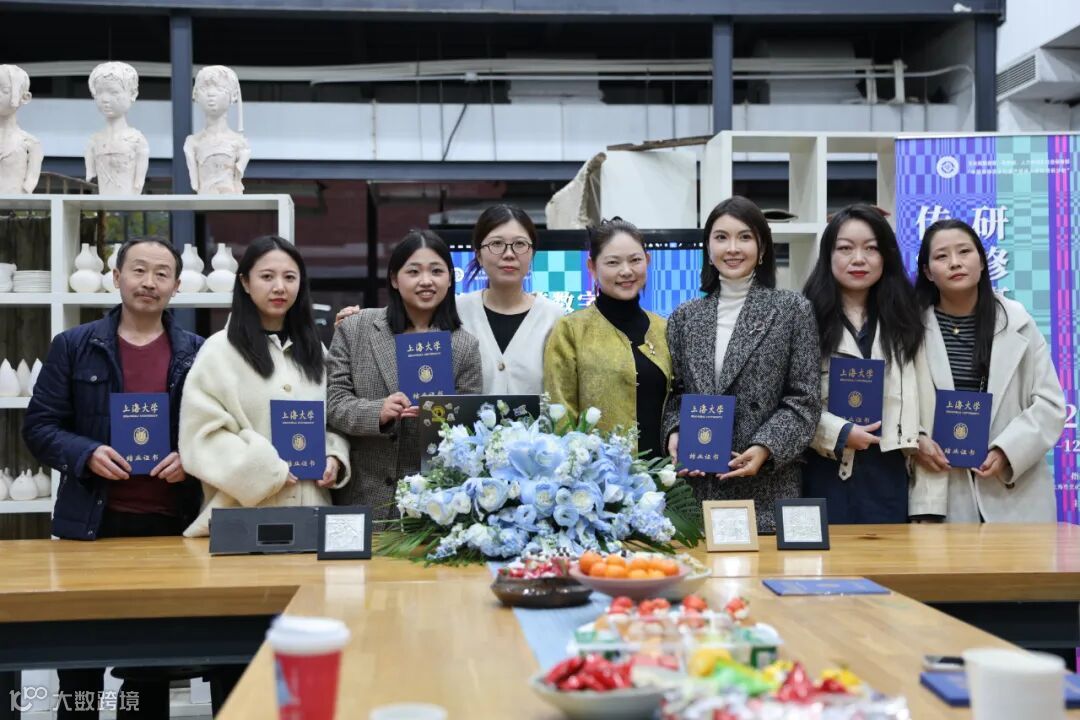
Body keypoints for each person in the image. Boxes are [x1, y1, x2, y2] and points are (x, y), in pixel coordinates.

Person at [22, 237, 203, 719]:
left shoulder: (197, 353)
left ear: (177, 286)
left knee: (148, 673)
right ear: (117, 276)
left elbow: (216, 433)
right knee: (77, 666)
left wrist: (192, 458)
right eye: (138, 270)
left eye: (162, 273)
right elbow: (39, 427)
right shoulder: (74, 346)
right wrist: (86, 453)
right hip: (90, 528)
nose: (149, 282)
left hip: (167, 531)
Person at [662, 196, 820, 532]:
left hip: (766, 486)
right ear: (708, 249)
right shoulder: (684, 317)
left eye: (744, 237)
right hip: (698, 488)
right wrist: (674, 433)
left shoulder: (792, 310)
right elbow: (676, 393)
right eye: (721, 237)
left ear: (762, 249)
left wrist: (765, 447)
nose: (732, 248)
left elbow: (804, 399)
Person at [178, 235, 351, 537]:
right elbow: (200, 436)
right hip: (241, 520)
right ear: (245, 282)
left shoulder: (315, 351)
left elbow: (334, 419)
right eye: (267, 277)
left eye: (290, 277)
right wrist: (268, 471)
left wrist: (334, 457)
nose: (280, 287)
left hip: (312, 514)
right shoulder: (218, 351)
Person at [909, 219, 1066, 522]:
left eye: (964, 251)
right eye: (941, 256)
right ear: (928, 272)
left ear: (982, 261)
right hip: (941, 486)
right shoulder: (909, 329)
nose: (955, 262)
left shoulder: (1019, 322)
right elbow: (896, 401)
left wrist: (1008, 451)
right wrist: (916, 441)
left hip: (1014, 491)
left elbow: (1050, 404)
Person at [327, 229, 482, 518]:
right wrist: (378, 411)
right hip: (361, 499)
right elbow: (334, 404)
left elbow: (468, 428)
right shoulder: (356, 327)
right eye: (413, 271)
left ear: (450, 279)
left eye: (436, 271)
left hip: (430, 506)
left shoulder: (464, 346)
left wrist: (440, 417)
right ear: (394, 279)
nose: (426, 280)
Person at [335, 205, 562, 395]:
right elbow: (398, 328)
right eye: (496, 244)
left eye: (520, 244)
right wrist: (354, 324)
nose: (509, 254)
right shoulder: (452, 311)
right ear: (478, 255)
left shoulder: (555, 318)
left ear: (532, 253)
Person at [801, 204, 924, 523]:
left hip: (889, 475)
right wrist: (838, 432)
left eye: (871, 248)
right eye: (845, 248)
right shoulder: (802, 317)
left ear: (886, 256)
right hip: (822, 471)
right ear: (828, 255)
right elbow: (789, 400)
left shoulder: (908, 319)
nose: (859, 259)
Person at [543, 218, 672, 458]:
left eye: (635, 260)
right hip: (597, 475)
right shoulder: (570, 330)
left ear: (647, 260)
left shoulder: (665, 329)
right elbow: (559, 415)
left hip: (666, 474)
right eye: (613, 262)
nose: (626, 271)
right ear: (592, 267)